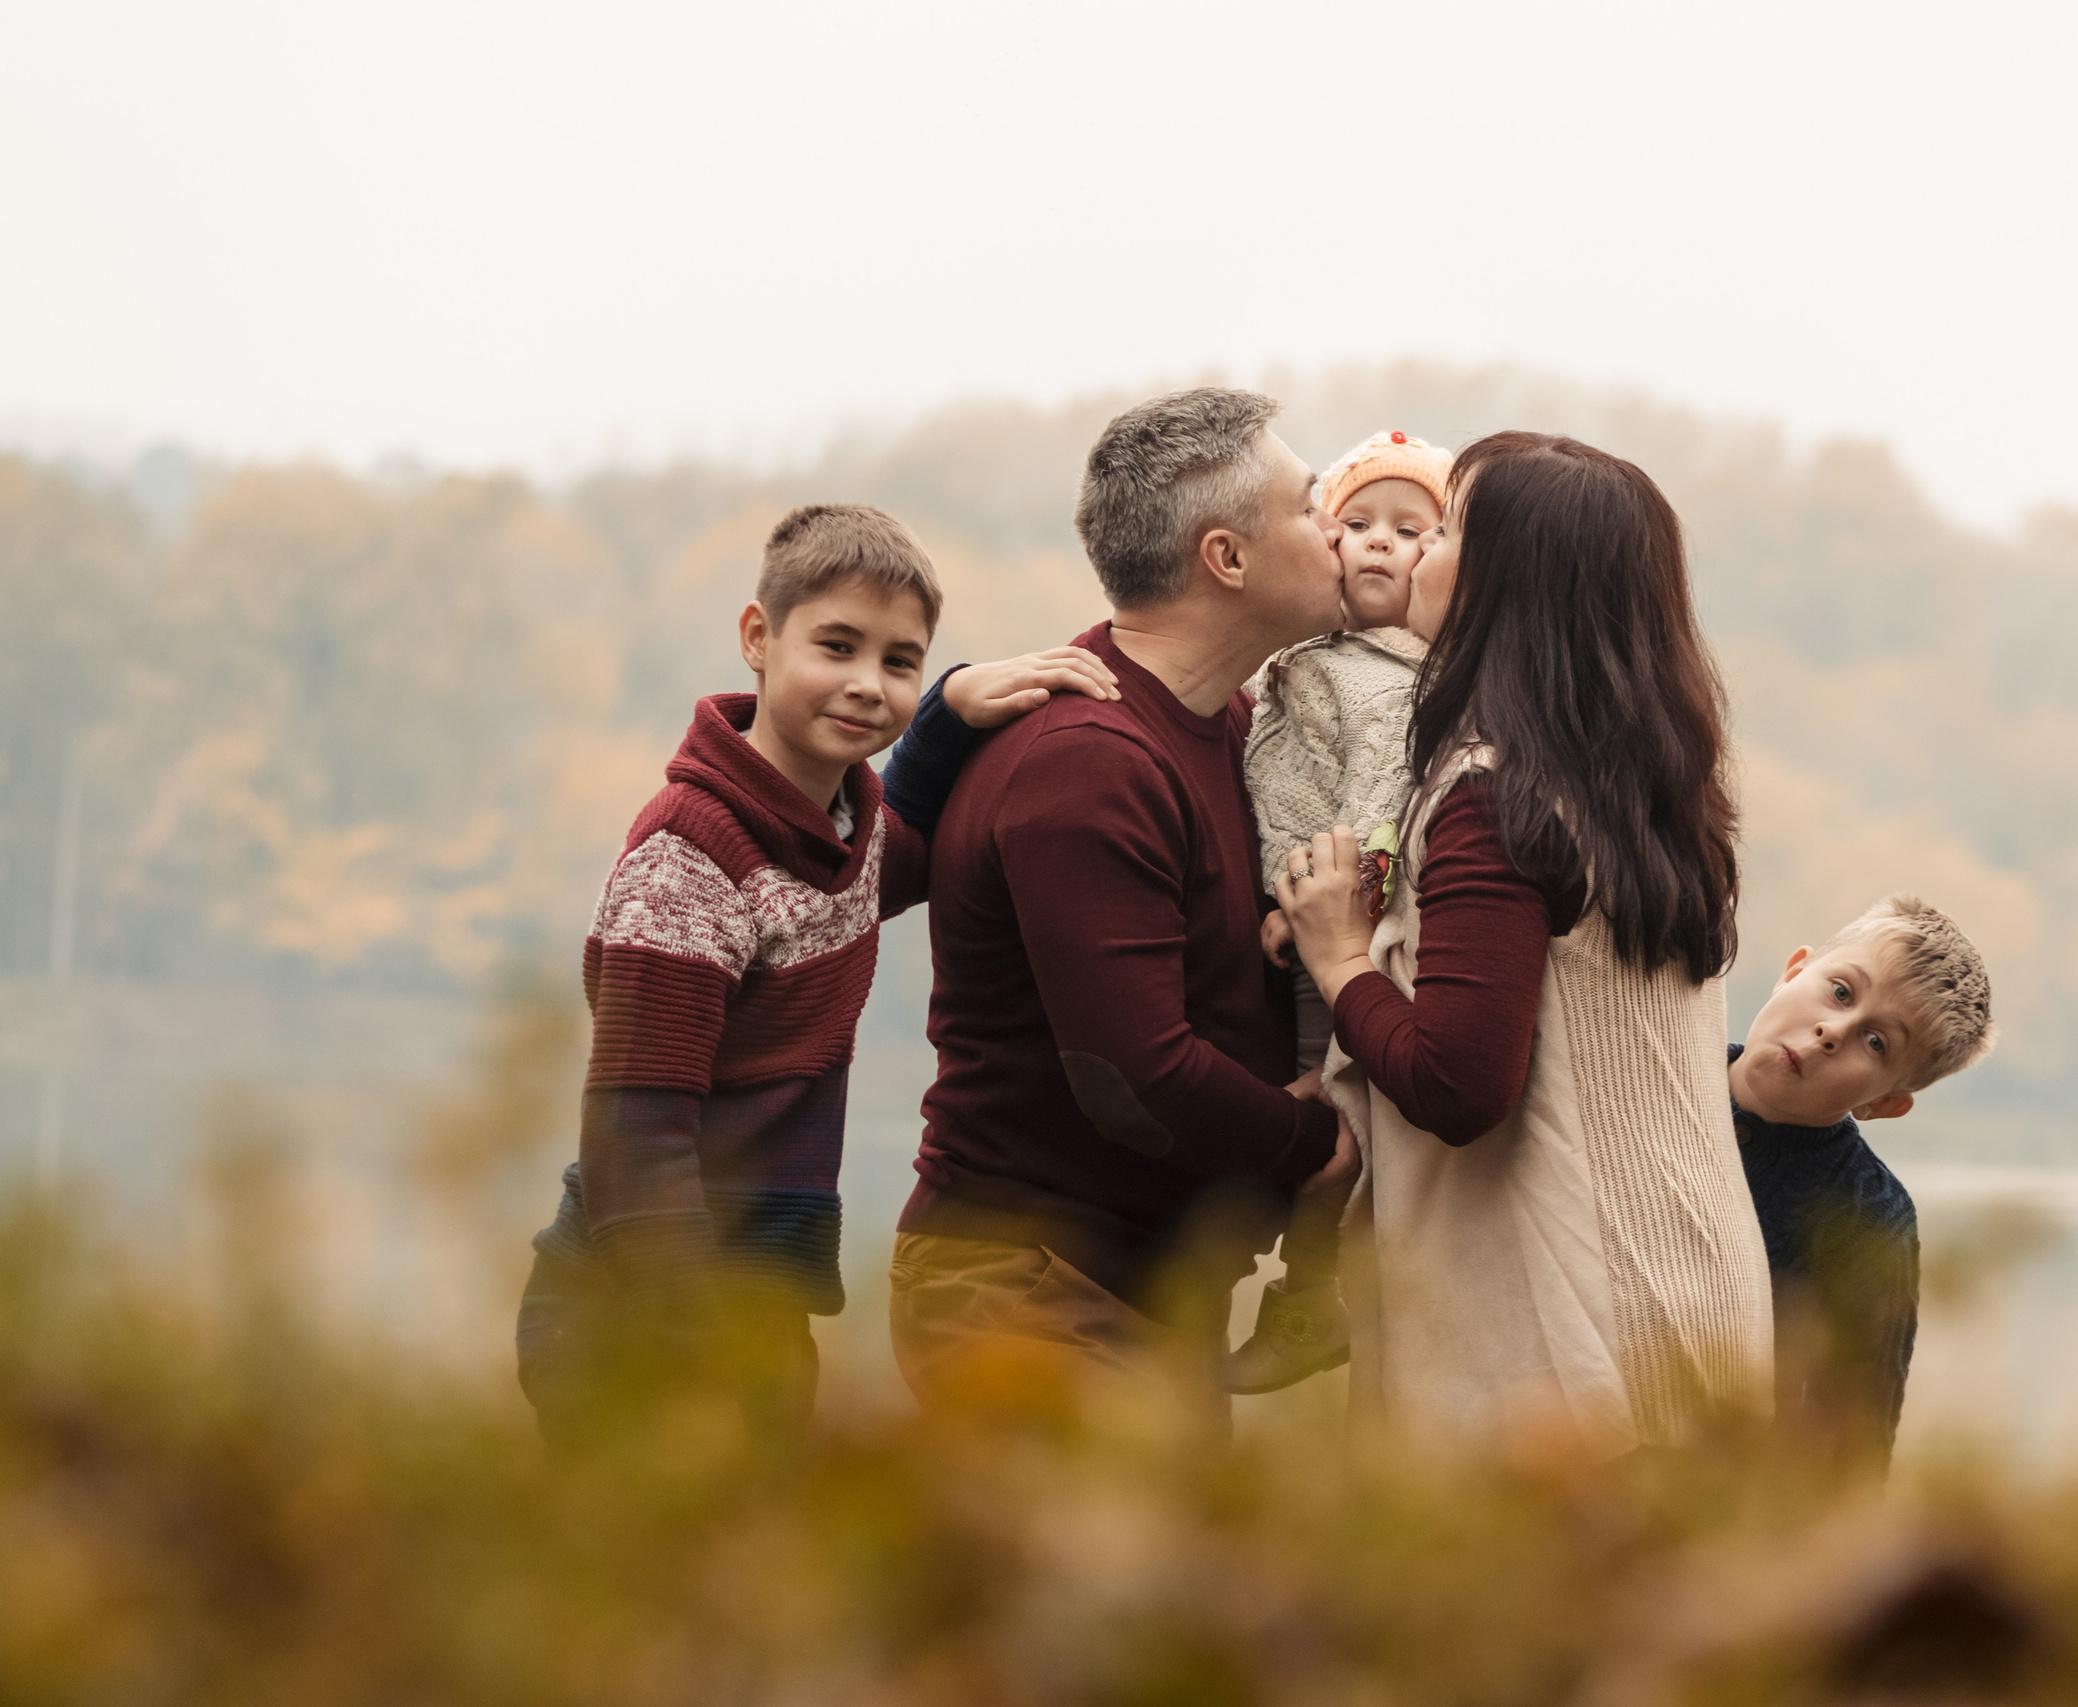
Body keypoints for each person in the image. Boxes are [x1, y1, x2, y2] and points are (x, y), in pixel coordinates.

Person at [514, 503, 1119, 1450]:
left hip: (752, 1294)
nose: (866, 685)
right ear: (758, 637)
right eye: (836, 645)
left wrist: (953, 706)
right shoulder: (690, 857)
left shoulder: (842, 828)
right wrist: (700, 1348)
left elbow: (903, 852)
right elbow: (639, 1135)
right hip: (636, 1303)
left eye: (899, 661)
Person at [1274, 431, 1773, 1455]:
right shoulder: (1656, 797)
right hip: (1701, 1296)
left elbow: (1459, 1086)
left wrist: (1338, 958)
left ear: (1506, 578)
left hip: (1578, 1339)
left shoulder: (1496, 798)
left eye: (1448, 527)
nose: (1415, 551)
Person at [886, 388, 1359, 1428]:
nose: (1338, 527)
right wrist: (1310, 1142)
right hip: (1024, 1291)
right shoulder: (1085, 765)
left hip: (1145, 1291)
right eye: (1309, 503)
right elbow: (1132, 1075)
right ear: (1226, 558)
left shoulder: (1234, 728)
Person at [1226, 428, 1453, 1394]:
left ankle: (1311, 1291)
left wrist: (1327, 910)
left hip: (1329, 924)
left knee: (1325, 1111)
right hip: (1291, 907)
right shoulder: (1317, 654)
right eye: (1354, 522)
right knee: (1289, 1096)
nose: (1375, 543)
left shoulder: (1398, 684)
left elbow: (1379, 808)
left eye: (1409, 531)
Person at [1728, 894, 1995, 1467]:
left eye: (1877, 1043)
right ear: (1793, 971)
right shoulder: (1646, 1076)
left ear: (1886, 1103)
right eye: (1841, 991)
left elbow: (1853, 1448)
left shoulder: (1871, 1217)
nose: (1834, 1030)